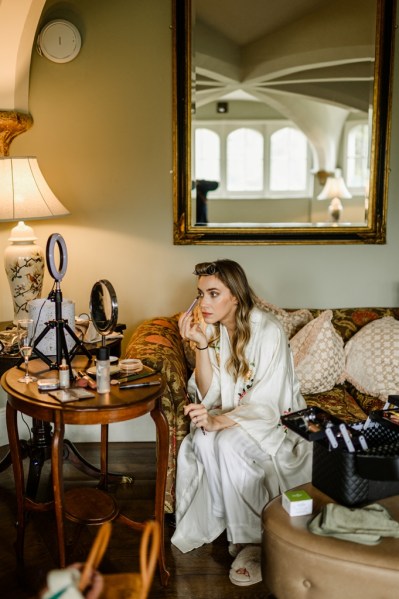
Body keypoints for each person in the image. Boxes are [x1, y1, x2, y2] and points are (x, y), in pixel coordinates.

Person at [171, 259, 312, 587]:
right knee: (203, 439)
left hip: (275, 416)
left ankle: (252, 543)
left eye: (213, 294)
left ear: (235, 295)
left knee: (227, 441)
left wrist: (221, 421)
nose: (203, 303)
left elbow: (268, 401)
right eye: (200, 294)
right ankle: (237, 525)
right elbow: (209, 393)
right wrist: (202, 346)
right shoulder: (214, 329)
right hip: (234, 413)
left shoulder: (268, 329)